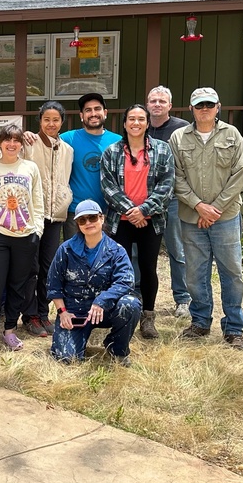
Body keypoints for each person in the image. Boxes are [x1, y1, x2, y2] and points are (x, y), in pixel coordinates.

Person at [169, 87, 243, 350]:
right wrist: (199, 206)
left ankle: (234, 328)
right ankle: (200, 322)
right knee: (195, 274)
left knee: (232, 272)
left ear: (218, 107)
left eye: (209, 104)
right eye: (199, 105)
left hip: (225, 217)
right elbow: (175, 177)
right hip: (192, 218)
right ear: (191, 109)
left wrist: (214, 209)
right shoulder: (178, 138)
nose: (204, 109)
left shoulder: (232, 135)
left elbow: (240, 173)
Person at [100, 104, 175, 339]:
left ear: (147, 123)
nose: (136, 123)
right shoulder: (112, 152)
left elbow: (166, 185)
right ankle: (121, 313)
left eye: (141, 119)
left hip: (151, 221)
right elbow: (107, 186)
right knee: (120, 269)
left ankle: (148, 317)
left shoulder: (162, 150)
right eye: (131, 119)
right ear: (124, 123)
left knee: (148, 267)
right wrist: (132, 211)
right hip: (120, 221)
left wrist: (143, 211)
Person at [0, 123, 44, 351]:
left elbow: (38, 201)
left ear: (21, 145)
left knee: (18, 287)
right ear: (0, 143)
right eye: (7, 140)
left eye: (16, 140)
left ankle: (10, 330)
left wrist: (37, 230)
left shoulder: (30, 168)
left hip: (25, 237)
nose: (12, 144)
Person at [46, 199, 141, 366]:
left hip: (105, 310)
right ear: (77, 224)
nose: (88, 223)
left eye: (92, 218)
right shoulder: (66, 250)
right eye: (82, 220)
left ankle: (117, 348)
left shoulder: (116, 250)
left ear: (102, 218)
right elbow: (54, 285)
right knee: (67, 359)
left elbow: (126, 282)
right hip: (75, 312)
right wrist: (62, 312)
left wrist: (101, 301)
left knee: (131, 304)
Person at [20, 101, 73, 337]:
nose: (51, 124)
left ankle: (43, 313)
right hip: (33, 216)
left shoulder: (67, 150)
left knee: (49, 267)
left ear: (62, 122)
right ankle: (29, 314)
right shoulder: (28, 143)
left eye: (56, 120)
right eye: (46, 119)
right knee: (29, 267)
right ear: (39, 121)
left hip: (56, 216)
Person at [146, 85, 191, 318]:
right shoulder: (139, 126)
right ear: (147, 104)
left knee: (177, 250)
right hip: (143, 201)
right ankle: (138, 294)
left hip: (172, 200)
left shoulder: (181, 129)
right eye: (153, 101)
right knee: (138, 252)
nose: (157, 105)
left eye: (162, 101)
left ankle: (183, 299)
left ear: (170, 106)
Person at [58, 93, 122, 239]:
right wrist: (30, 135)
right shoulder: (67, 138)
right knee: (76, 256)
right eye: (88, 110)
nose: (93, 114)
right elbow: (45, 143)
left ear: (105, 113)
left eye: (97, 109)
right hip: (75, 211)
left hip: (108, 211)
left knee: (105, 257)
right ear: (81, 115)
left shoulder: (118, 141)